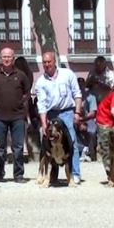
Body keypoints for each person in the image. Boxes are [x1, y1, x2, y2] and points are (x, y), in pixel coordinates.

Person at [35, 52, 83, 184]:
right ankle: (52, 175)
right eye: (44, 62)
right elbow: (42, 105)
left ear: (54, 61)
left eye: (49, 62)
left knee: (71, 142)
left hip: (67, 112)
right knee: (49, 143)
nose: (47, 64)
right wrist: (44, 124)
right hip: (51, 113)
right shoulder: (40, 82)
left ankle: (74, 174)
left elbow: (77, 94)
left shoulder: (68, 74)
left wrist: (77, 113)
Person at [0, 48, 30, 183]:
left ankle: (19, 174)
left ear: (13, 58)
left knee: (18, 147)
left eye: (9, 57)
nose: (6, 59)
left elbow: (27, 93)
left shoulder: (21, 75)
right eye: (4, 57)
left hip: (18, 116)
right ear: (0, 58)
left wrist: (21, 102)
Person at [76, 78, 98, 162]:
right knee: (71, 129)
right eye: (78, 84)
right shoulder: (71, 97)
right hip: (76, 119)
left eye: (82, 84)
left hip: (88, 119)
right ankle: (79, 151)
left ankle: (91, 154)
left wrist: (83, 119)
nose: (80, 86)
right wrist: (79, 122)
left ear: (84, 85)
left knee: (92, 131)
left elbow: (92, 112)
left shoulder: (91, 96)